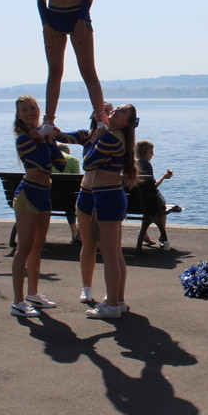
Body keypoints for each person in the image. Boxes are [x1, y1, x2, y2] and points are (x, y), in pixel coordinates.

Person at [56, 103, 139, 319]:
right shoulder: (106, 135)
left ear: (126, 123)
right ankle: (117, 301)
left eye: (120, 112)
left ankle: (112, 305)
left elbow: (88, 163)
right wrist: (51, 128)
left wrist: (99, 137)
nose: (114, 113)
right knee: (113, 254)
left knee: (111, 255)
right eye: (113, 110)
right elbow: (64, 138)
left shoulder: (111, 137)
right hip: (100, 195)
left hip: (107, 195)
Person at [37, 0, 105, 132]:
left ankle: (101, 118)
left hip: (78, 16)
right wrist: (46, 24)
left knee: (88, 70)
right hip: (54, 18)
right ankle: (49, 120)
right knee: (55, 71)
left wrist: (82, 18)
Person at [10, 95, 67, 318]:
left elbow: (60, 165)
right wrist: (44, 141)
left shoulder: (42, 136)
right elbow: (43, 164)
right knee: (23, 247)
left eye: (32, 108)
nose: (29, 113)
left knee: (37, 246)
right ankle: (17, 301)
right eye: (24, 110)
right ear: (18, 115)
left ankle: (32, 294)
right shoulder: (23, 139)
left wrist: (50, 139)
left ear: (38, 110)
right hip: (28, 195)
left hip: (45, 195)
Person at [135, 139, 173, 251]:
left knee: (144, 200)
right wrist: (164, 177)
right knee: (161, 207)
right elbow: (153, 186)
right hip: (146, 203)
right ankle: (162, 236)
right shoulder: (146, 165)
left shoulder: (130, 163)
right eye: (151, 151)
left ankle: (145, 235)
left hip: (132, 203)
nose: (153, 154)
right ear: (145, 152)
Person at [55, 144, 82, 244]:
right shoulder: (73, 160)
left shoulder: (48, 159)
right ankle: (75, 232)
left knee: (66, 198)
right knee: (70, 200)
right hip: (69, 200)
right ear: (67, 152)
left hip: (49, 199)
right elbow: (77, 182)